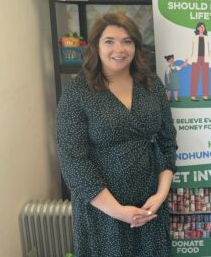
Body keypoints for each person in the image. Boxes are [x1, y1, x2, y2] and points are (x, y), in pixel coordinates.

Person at [56, 13, 178, 256]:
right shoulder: (78, 92)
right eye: (109, 41)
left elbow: (167, 143)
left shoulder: (151, 85)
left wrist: (160, 195)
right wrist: (118, 211)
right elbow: (73, 161)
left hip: (148, 207)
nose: (119, 49)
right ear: (95, 47)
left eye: (127, 41)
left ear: (136, 46)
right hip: (103, 212)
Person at [188, 22, 211, 101]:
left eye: (203, 27)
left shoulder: (207, 38)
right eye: (201, 27)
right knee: (195, 77)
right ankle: (193, 96)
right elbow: (190, 49)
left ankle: (205, 95)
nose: (202, 28)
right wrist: (186, 59)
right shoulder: (194, 38)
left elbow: (209, 50)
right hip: (196, 58)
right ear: (198, 28)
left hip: (205, 58)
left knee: (205, 77)